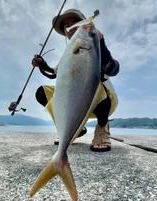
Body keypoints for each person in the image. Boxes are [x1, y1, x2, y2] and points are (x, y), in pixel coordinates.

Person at [32, 8, 119, 152]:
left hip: (103, 103)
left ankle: (102, 128)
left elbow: (113, 68)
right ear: (65, 33)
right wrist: (42, 65)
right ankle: (74, 128)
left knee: (97, 88)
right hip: (74, 104)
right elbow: (54, 74)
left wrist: (100, 42)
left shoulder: (93, 46)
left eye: (75, 23)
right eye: (66, 26)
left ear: (84, 24)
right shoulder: (68, 55)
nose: (70, 27)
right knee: (42, 92)